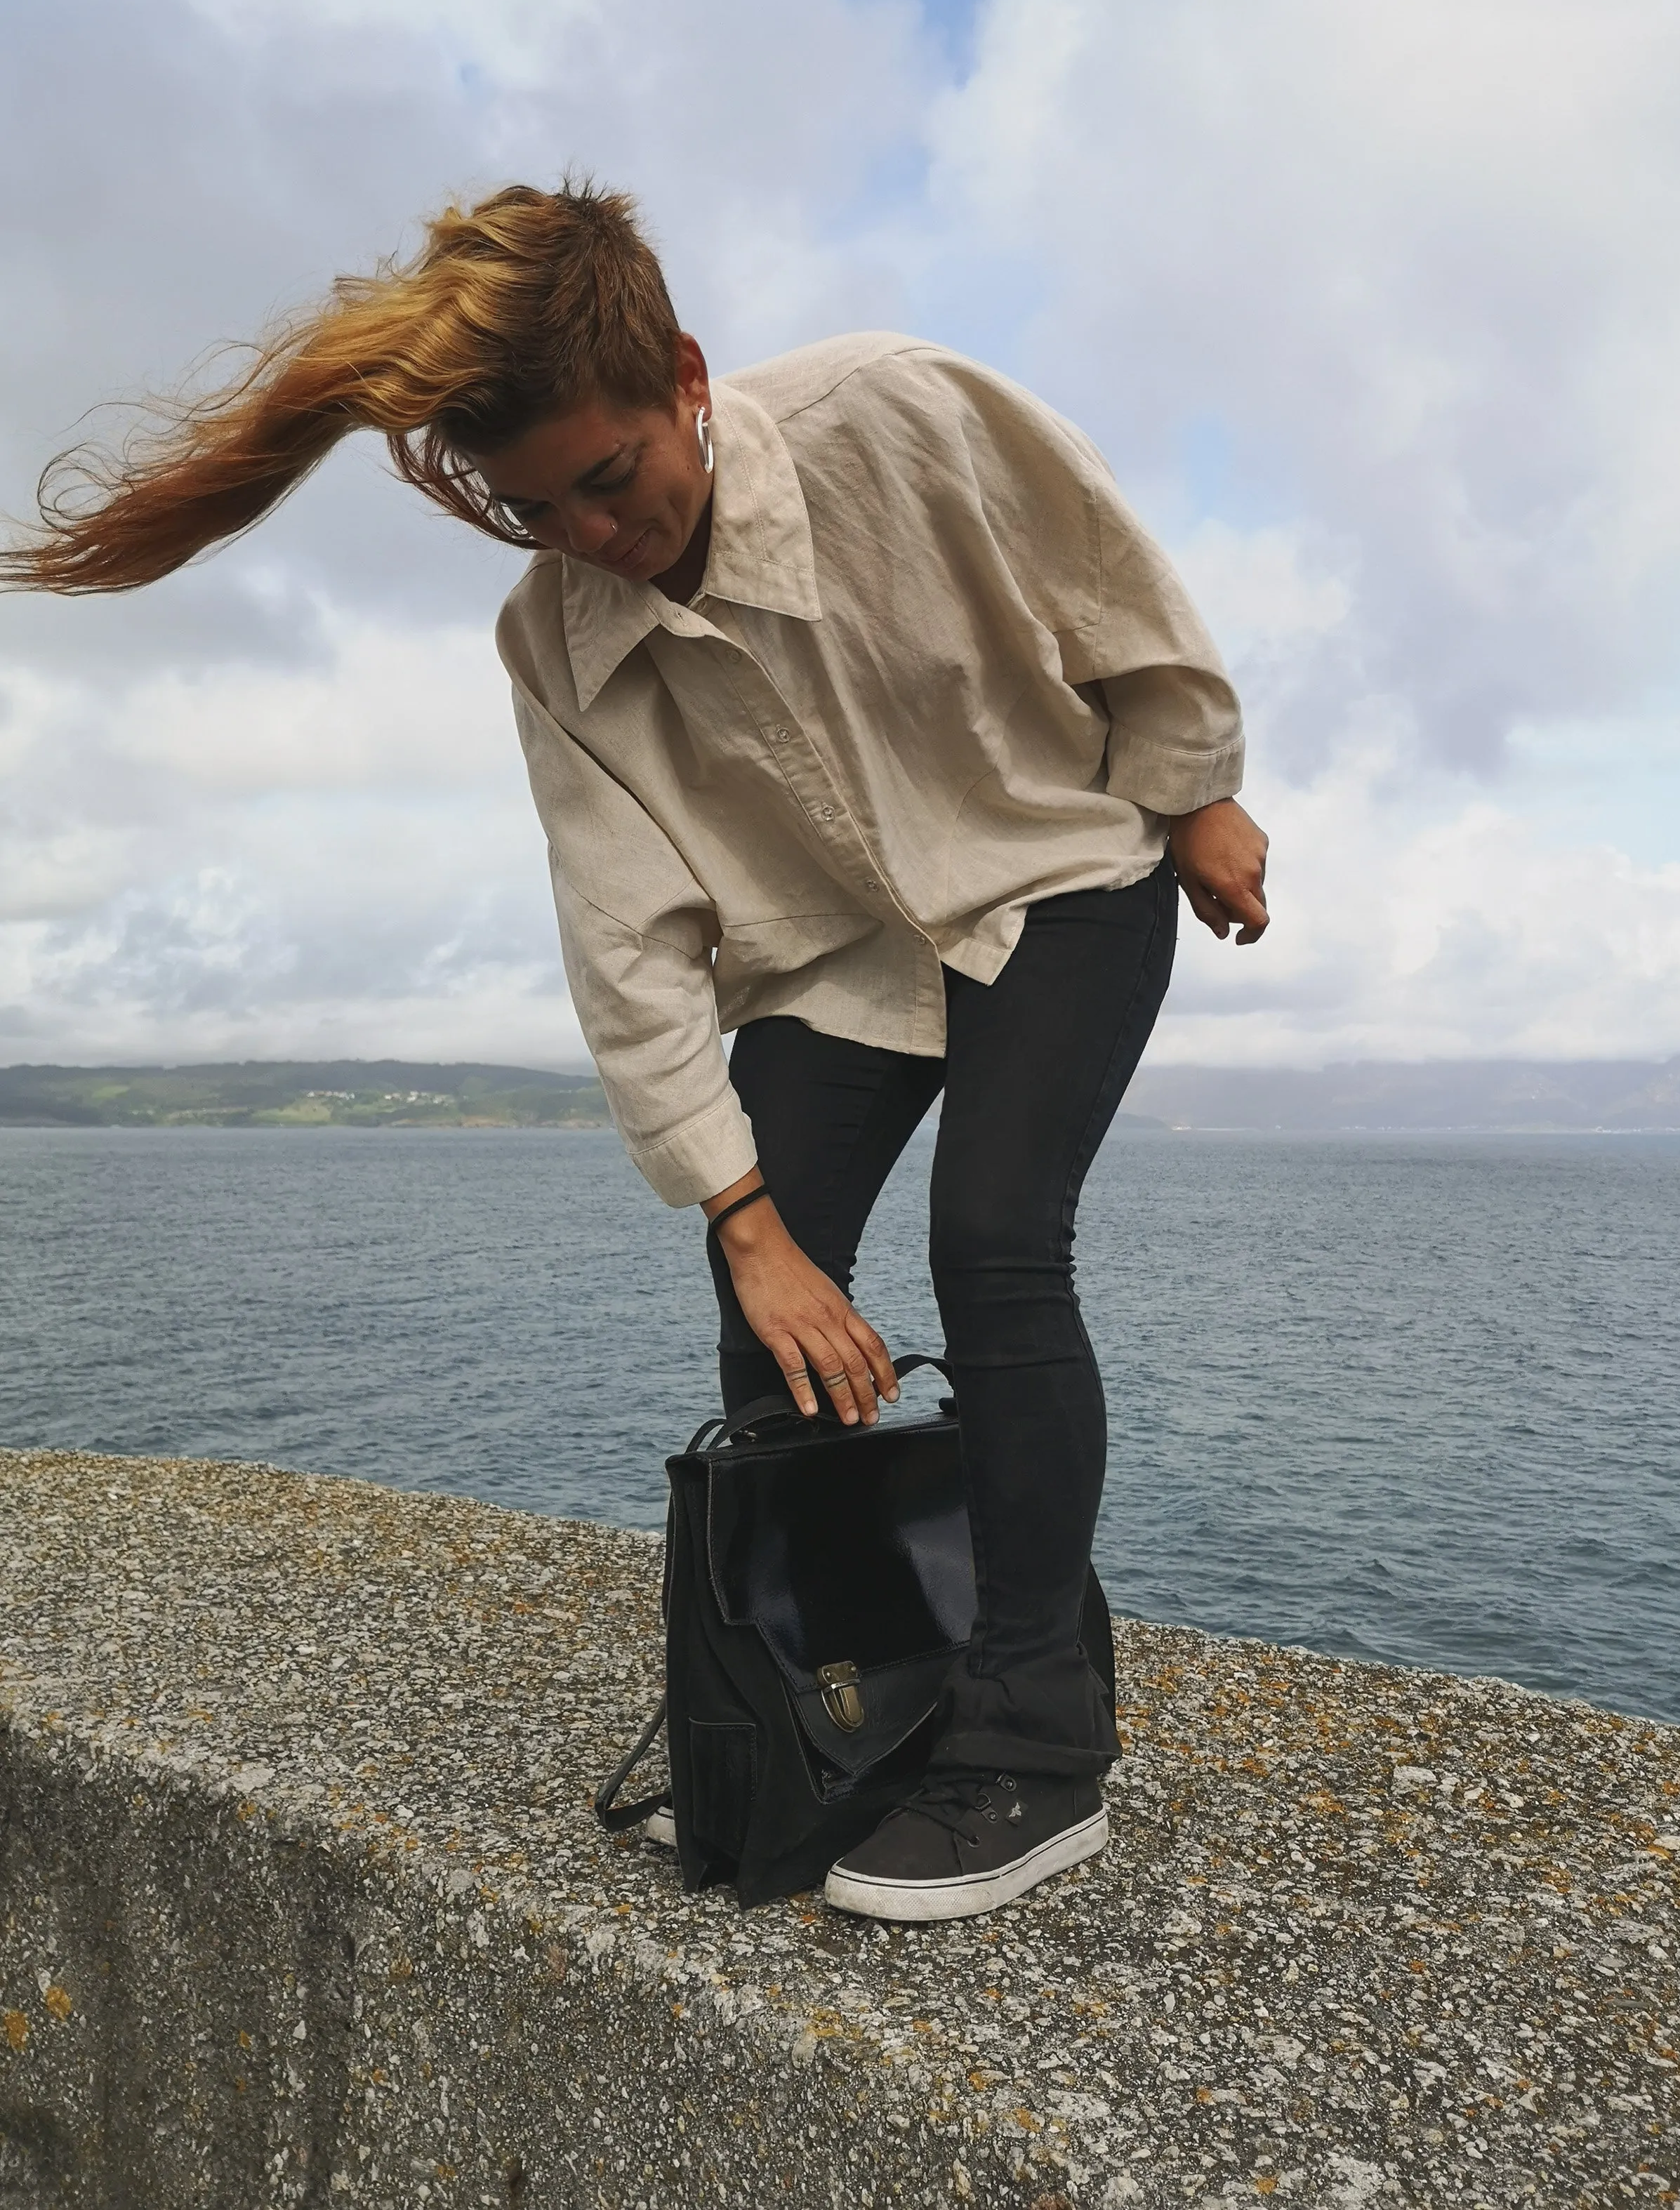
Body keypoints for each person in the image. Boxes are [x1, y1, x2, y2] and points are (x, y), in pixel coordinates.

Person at [5, 180, 1269, 1921]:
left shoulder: (892, 408)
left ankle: (1035, 1751)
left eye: (612, 477)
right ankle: (854, 1697)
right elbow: (630, 937)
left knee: (994, 1239)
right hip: (833, 951)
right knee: (775, 1313)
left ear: (683, 375)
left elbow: (1111, 588)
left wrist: (1196, 790)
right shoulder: (553, 641)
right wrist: (743, 1219)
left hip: (1060, 865)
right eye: (534, 510)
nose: (592, 531)